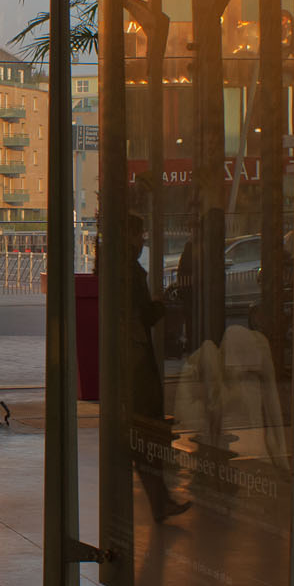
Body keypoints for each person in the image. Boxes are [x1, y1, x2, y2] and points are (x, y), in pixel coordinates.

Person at [126, 214, 190, 523]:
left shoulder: (116, 267)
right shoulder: (132, 272)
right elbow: (144, 315)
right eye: (140, 235)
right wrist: (160, 304)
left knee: (141, 439)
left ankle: (160, 502)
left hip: (129, 363)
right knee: (146, 437)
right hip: (138, 364)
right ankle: (160, 502)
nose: (142, 242)